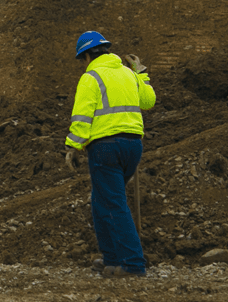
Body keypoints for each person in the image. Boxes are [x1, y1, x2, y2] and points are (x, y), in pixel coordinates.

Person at [64, 30, 156, 278]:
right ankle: (112, 258)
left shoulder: (91, 77)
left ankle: (133, 265)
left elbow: (82, 115)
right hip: (133, 146)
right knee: (101, 200)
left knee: (113, 203)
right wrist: (140, 74)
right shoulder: (128, 73)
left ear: (86, 56)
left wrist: (73, 145)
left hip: (105, 147)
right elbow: (148, 101)